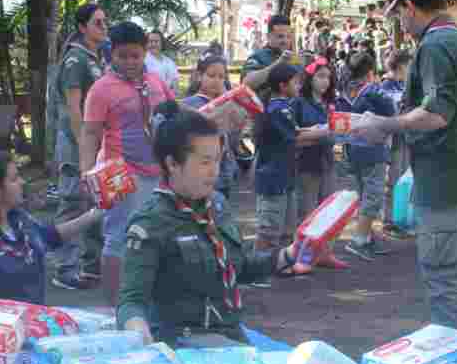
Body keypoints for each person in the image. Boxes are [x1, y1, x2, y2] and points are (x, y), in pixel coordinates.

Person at [355, 0, 457, 326]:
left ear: (410, 7)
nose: (400, 23)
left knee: (444, 276)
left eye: (399, 14)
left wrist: (383, 125)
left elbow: (436, 114)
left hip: (443, 178)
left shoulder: (434, 45)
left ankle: (452, 348)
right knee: (455, 274)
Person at [117, 105, 302, 346]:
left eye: (217, 160)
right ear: (172, 163)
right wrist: (137, 329)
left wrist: (289, 254)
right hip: (183, 343)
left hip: (229, 334)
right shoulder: (151, 222)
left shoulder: (217, 205)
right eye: (205, 162)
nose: (214, 171)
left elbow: (239, 267)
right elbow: (131, 301)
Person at [80, 21, 177, 304]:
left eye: (136, 55)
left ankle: (151, 302)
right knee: (117, 239)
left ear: (145, 52)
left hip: (157, 171)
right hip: (118, 172)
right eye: (122, 56)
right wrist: (86, 172)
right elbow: (90, 133)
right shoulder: (101, 89)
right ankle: (113, 308)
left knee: (156, 236)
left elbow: (175, 113)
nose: (130, 62)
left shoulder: (156, 82)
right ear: (111, 53)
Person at [0, 150, 102, 307]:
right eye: (14, 179)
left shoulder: (18, 219)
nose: (22, 182)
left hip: (33, 318)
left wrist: (96, 213)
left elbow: (49, 236)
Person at [50, 3, 107, 291]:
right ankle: (65, 268)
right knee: (73, 201)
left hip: (96, 142)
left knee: (97, 200)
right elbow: (73, 107)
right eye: (98, 22)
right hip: (76, 142)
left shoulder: (97, 57)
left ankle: (92, 265)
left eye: (105, 22)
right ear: (83, 27)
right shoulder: (75, 59)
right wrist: (83, 143)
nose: (104, 27)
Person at [254, 64, 328, 268]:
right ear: (282, 85)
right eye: (295, 82)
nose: (299, 86)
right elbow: (295, 138)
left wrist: (316, 130)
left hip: (285, 174)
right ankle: (258, 267)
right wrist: (326, 130)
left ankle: (281, 263)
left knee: (287, 227)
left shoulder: (284, 106)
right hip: (273, 176)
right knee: (269, 229)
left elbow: (294, 133)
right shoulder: (278, 108)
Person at [336, 52, 396, 261]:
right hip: (373, 149)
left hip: (352, 148)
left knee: (363, 194)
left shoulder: (345, 92)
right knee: (373, 195)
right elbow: (391, 109)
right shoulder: (373, 91)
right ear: (370, 72)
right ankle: (360, 239)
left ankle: (367, 236)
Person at [292, 58, 345, 270]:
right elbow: (292, 135)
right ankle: (302, 257)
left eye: (328, 77)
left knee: (328, 212)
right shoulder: (298, 103)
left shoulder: (330, 102)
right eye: (320, 76)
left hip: (328, 161)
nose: (325, 81)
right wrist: (318, 133)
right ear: (310, 78)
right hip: (306, 163)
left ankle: (324, 253)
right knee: (308, 213)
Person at [182, 55, 240, 201]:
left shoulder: (224, 101)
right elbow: (205, 122)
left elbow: (239, 121)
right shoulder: (189, 103)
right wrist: (226, 102)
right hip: (201, 174)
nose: (217, 81)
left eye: (221, 77)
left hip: (224, 171)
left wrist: (226, 97)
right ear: (199, 76)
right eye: (211, 75)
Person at [380, 49, 413, 238]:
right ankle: (389, 220)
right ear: (401, 66)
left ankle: (401, 218)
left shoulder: (405, 84)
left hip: (407, 137)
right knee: (393, 180)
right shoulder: (386, 86)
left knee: (404, 180)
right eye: (409, 65)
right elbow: (390, 113)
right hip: (393, 140)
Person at [241, 15, 295, 95]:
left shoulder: (293, 57)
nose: (285, 40)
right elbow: (246, 83)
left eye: (288, 36)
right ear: (268, 37)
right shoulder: (258, 56)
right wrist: (278, 63)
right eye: (280, 36)